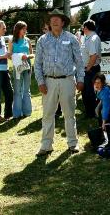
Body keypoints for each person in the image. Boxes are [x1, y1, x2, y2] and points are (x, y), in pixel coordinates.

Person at [34, 9, 85, 156]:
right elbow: (37, 64)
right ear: (49, 22)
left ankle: (72, 144)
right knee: (48, 115)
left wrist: (80, 79)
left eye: (58, 18)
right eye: (52, 18)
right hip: (49, 82)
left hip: (68, 81)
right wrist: (40, 82)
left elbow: (80, 62)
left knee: (69, 114)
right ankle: (46, 145)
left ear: (63, 22)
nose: (55, 20)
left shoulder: (71, 39)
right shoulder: (42, 40)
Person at [8, 21, 34, 119]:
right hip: (17, 68)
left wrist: (26, 56)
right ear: (18, 29)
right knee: (17, 90)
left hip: (27, 67)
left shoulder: (27, 40)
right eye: (24, 29)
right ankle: (17, 113)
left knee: (26, 90)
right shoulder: (12, 40)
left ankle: (27, 112)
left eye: (26, 29)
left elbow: (32, 54)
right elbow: (9, 55)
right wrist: (18, 57)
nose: (25, 31)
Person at [80, 19, 102, 118]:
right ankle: (90, 112)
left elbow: (93, 56)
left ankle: (92, 113)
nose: (82, 29)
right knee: (87, 92)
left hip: (91, 70)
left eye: (83, 27)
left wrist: (88, 68)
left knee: (90, 93)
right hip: (89, 69)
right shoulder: (89, 37)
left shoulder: (92, 38)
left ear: (85, 28)